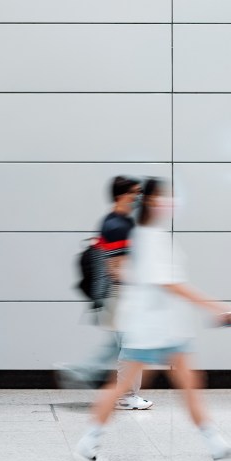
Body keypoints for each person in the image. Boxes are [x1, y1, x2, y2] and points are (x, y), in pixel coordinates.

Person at [72, 178, 231, 461]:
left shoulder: (152, 234)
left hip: (167, 326)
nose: (170, 203)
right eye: (164, 197)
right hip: (151, 328)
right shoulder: (147, 236)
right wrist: (218, 307)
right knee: (121, 387)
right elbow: (171, 284)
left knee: (189, 384)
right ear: (151, 201)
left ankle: (216, 444)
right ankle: (87, 445)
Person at [57, 176, 152, 411]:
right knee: (131, 347)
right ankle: (126, 395)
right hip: (120, 294)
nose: (140, 197)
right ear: (122, 195)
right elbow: (116, 267)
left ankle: (81, 371)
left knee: (119, 346)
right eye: (136, 192)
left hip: (116, 294)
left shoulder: (115, 221)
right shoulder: (117, 225)